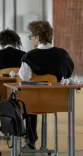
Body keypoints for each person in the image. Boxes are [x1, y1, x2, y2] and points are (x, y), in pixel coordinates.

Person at [19, 21, 74, 149]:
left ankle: (30, 140)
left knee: (26, 101)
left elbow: (24, 77)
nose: (31, 39)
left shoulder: (29, 56)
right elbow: (68, 73)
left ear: (38, 38)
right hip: (56, 102)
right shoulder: (63, 54)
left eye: (31, 36)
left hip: (34, 102)